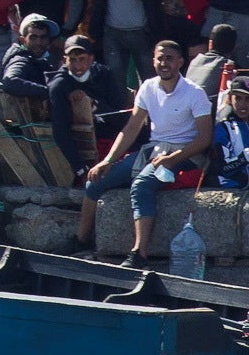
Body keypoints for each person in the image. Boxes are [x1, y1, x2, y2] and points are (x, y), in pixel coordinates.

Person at [82, 35, 214, 261]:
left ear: (180, 62)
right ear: (153, 61)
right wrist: (109, 160)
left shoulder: (195, 93)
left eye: (170, 59)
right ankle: (80, 240)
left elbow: (204, 139)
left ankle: (139, 253)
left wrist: (173, 158)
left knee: (142, 185)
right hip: (154, 150)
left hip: (186, 153)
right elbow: (131, 128)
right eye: (160, 59)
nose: (165, 64)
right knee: (94, 181)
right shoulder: (147, 87)